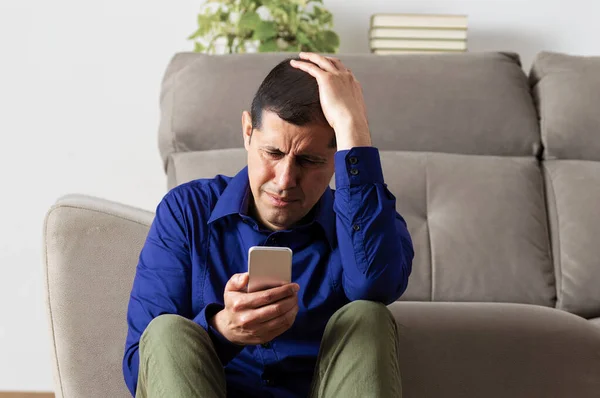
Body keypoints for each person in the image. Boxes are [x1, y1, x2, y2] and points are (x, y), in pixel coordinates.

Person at [123, 52, 414, 398]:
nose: (286, 180)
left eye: (309, 160)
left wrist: (354, 129)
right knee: (166, 331)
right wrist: (222, 330)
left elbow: (374, 286)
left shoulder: (369, 218)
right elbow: (141, 367)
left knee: (368, 317)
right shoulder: (187, 212)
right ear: (248, 132)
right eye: (273, 154)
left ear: (337, 158)